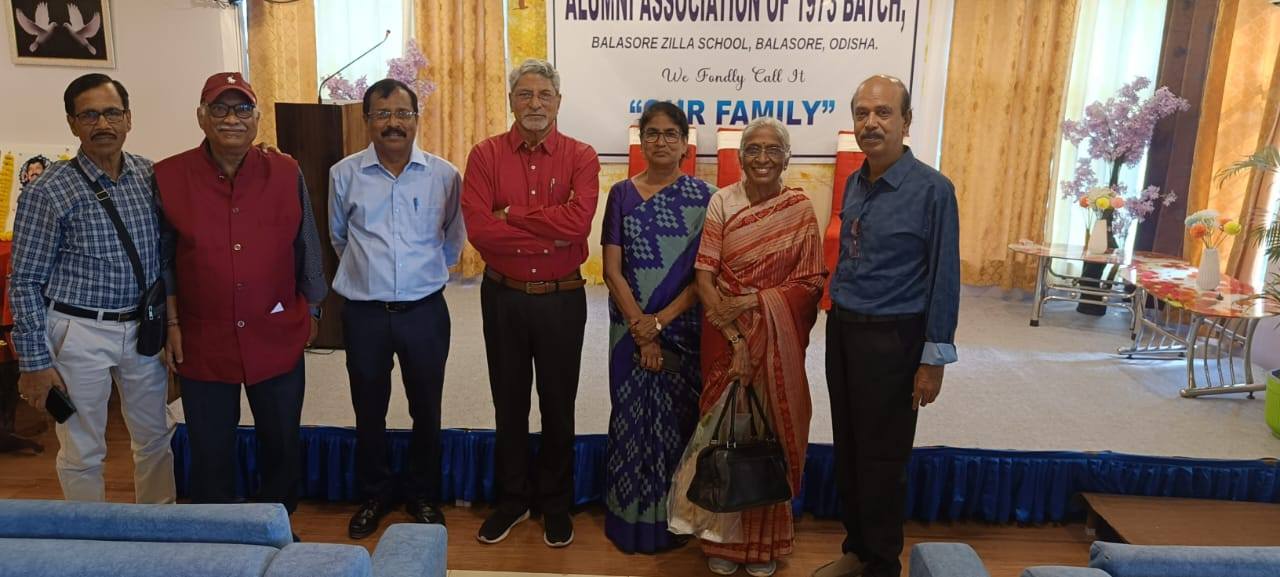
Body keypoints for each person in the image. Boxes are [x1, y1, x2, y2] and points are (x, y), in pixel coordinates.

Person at [153, 72, 325, 514]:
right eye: (220, 108)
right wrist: (171, 322)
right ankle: (218, 532)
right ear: (201, 116)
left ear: (257, 117)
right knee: (210, 448)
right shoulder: (168, 176)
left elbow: (306, 242)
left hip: (276, 330)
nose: (232, 118)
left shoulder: (285, 171)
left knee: (281, 443)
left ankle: (275, 527)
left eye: (242, 108)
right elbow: (163, 258)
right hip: (203, 337)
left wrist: (314, 308)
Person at [816, 75, 959, 577]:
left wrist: (933, 360)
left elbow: (944, 278)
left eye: (883, 113)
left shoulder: (934, 190)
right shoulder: (856, 181)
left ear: (906, 121)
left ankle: (880, 564)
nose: (871, 123)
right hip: (844, 332)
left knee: (883, 459)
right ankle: (857, 549)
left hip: (893, 340)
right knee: (849, 448)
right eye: (862, 114)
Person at [10, 73, 175, 503]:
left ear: (129, 118)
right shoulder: (47, 191)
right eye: (89, 115)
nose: (103, 124)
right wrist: (34, 362)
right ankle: (89, 535)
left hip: (143, 329)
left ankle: (159, 526)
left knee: (156, 437)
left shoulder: (150, 175)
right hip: (78, 331)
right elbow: (24, 280)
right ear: (72, 123)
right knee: (82, 449)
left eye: (112, 113)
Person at [462, 58, 600, 548]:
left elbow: (579, 225)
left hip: (562, 299)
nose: (535, 103)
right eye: (525, 94)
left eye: (544, 95)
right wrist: (547, 230)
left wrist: (513, 215)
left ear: (558, 102)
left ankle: (555, 502)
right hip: (504, 297)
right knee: (509, 401)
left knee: (559, 404)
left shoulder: (582, 156)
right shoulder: (485, 155)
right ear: (511, 101)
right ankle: (513, 499)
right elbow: (480, 230)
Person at [330, 78, 464, 538]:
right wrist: (371, 276)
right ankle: (375, 493)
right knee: (368, 408)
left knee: (426, 407)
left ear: (416, 119)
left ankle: (422, 493)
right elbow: (339, 237)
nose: (393, 123)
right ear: (366, 120)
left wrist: (422, 277)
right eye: (383, 114)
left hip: (424, 311)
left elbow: (453, 237)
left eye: (403, 114)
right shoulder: (343, 174)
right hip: (364, 313)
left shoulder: (443, 175)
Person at [694, 116, 825, 577]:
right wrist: (735, 340)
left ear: (787, 158)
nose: (763, 158)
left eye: (773, 150)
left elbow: (810, 282)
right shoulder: (722, 202)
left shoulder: (799, 209)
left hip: (777, 337)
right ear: (739, 157)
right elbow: (705, 276)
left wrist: (754, 301)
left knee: (770, 432)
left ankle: (764, 544)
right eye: (753, 149)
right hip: (724, 334)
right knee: (723, 431)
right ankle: (723, 540)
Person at [601, 101, 713, 554]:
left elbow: (703, 277)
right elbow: (612, 270)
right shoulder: (621, 195)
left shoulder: (706, 199)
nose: (661, 142)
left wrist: (659, 324)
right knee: (629, 421)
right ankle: (627, 518)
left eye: (671, 134)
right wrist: (640, 327)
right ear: (641, 141)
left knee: (676, 424)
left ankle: (674, 520)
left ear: (685, 144)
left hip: (681, 331)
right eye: (652, 133)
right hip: (628, 332)